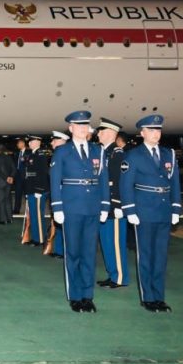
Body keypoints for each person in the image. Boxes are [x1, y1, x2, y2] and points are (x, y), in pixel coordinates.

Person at [119, 114, 181, 313]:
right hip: (144, 211)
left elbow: (175, 183)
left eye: (158, 130)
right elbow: (126, 185)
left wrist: (175, 208)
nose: (156, 133)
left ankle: (159, 297)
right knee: (145, 255)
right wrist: (130, 210)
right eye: (151, 130)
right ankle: (147, 297)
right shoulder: (134, 156)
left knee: (161, 256)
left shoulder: (169, 154)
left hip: (163, 210)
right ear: (142, 133)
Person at [49, 111, 110, 313]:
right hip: (71, 208)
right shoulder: (62, 151)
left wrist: (105, 205)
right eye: (79, 126)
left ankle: (87, 296)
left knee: (89, 254)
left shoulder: (97, 150)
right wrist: (57, 207)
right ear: (71, 128)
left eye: (86, 126)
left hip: (93, 207)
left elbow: (103, 179)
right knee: (73, 253)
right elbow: (55, 180)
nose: (83, 129)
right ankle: (75, 296)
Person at [95, 117, 128, 288]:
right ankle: (112, 274)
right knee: (106, 242)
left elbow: (120, 182)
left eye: (101, 131)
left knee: (115, 244)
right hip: (103, 205)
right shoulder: (103, 152)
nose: (98, 134)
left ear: (110, 133)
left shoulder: (117, 153)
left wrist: (117, 204)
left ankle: (120, 277)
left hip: (114, 207)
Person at [43, 131, 68, 258]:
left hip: (65, 194)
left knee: (65, 224)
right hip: (56, 194)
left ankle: (64, 251)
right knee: (57, 223)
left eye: (54, 140)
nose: (52, 143)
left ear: (62, 141)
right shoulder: (57, 155)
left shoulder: (68, 154)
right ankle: (58, 250)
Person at [23, 135, 49, 244]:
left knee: (38, 215)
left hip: (38, 190)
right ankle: (35, 237)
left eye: (32, 141)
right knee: (33, 215)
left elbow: (42, 173)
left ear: (38, 142)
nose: (29, 143)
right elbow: (29, 174)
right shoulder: (32, 154)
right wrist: (27, 191)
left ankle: (41, 239)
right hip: (31, 189)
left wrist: (39, 190)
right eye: (29, 142)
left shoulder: (40, 154)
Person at [0, 144, 15, 224]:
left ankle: (3, 219)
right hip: (9, 182)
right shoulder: (9, 157)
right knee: (8, 200)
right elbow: (14, 169)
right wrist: (11, 177)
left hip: (0, 181)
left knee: (1, 201)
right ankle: (9, 218)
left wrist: (6, 178)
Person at [12, 138, 28, 215]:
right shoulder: (16, 153)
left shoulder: (29, 152)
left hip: (26, 177)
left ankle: (28, 210)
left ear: (23, 143)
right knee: (17, 193)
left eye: (18, 143)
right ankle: (16, 209)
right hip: (18, 176)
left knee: (27, 194)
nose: (17, 145)